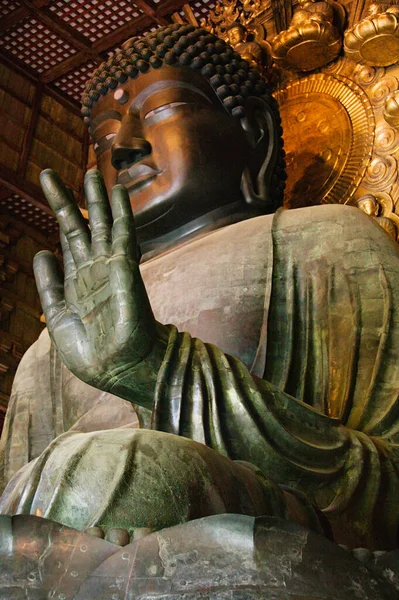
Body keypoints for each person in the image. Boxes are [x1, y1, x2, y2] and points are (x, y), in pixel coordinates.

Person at [0, 24, 398, 554]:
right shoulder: (55, 342)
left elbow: (388, 488)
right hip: (75, 552)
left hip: (262, 530)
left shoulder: (327, 240)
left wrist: (161, 367)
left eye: (161, 109)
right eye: (103, 137)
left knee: (124, 470)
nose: (123, 148)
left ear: (254, 132)